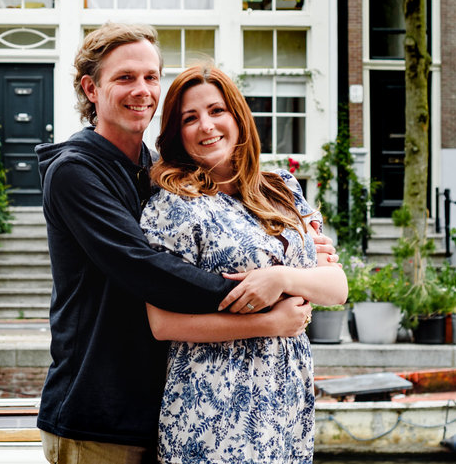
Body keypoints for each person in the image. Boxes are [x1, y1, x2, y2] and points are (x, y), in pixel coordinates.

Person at [36, 24, 329, 464]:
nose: (143, 90)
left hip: (158, 410)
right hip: (96, 416)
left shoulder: (155, 171)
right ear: (90, 89)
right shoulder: (75, 172)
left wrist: (296, 258)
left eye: (152, 77)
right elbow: (144, 267)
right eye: (125, 77)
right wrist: (268, 296)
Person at [141, 62, 348, 463]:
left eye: (216, 111)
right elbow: (162, 323)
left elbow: (337, 289)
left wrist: (279, 277)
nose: (206, 126)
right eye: (190, 118)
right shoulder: (173, 204)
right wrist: (270, 322)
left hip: (286, 395)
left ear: (237, 116)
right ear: (175, 133)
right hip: (213, 404)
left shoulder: (280, 188)